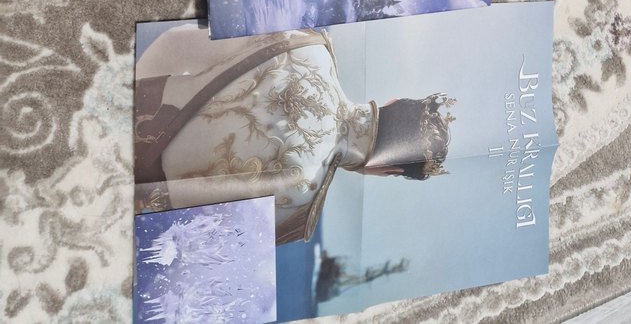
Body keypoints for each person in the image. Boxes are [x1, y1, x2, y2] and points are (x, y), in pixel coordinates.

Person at [134, 24, 454, 244]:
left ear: (391, 102)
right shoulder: (298, 217)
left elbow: (173, 44)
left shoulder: (308, 45)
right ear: (390, 169)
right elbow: (180, 238)